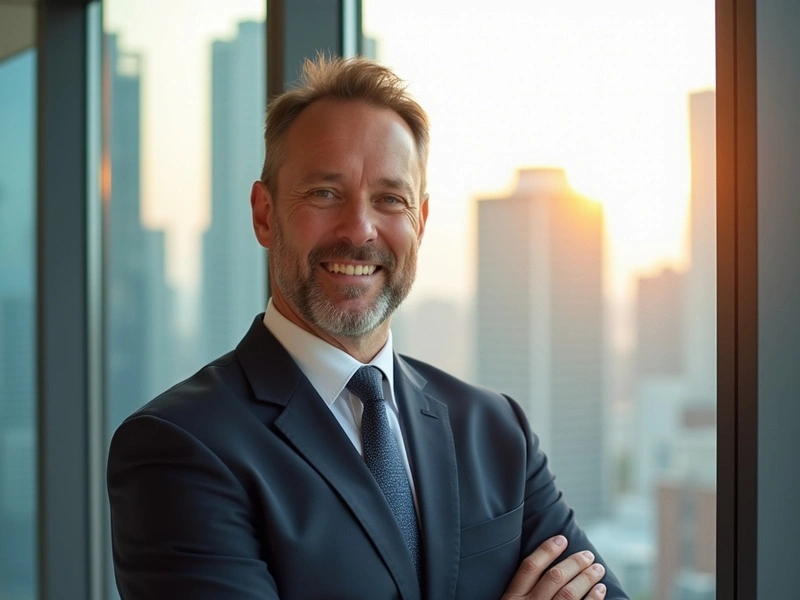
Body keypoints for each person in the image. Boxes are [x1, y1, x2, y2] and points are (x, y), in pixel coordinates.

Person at [107, 55, 628, 600]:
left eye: (389, 199)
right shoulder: (180, 446)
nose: (359, 228)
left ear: (420, 223)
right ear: (265, 214)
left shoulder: (496, 431)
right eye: (325, 193)